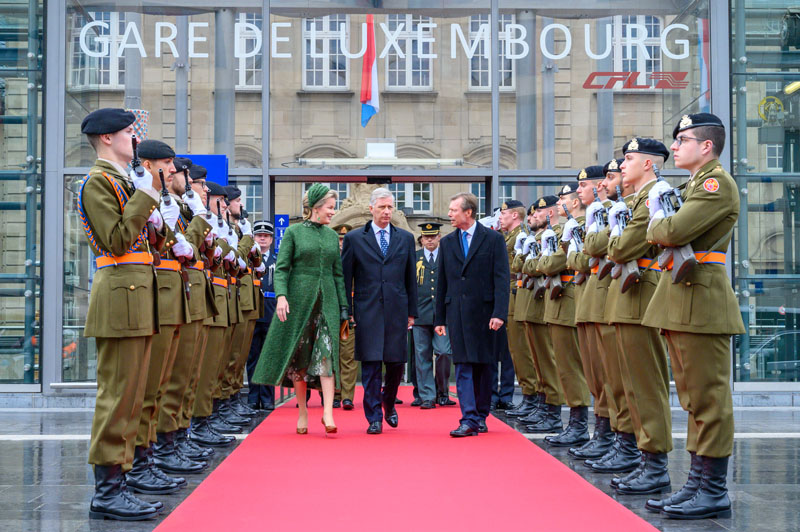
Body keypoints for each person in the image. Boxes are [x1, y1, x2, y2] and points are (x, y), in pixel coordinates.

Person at [643, 113, 745, 519]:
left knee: (710, 400)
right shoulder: (693, 186)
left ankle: (714, 490)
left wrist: (658, 224)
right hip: (683, 300)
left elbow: (669, 233)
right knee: (692, 399)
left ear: (706, 146)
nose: (675, 146)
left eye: (683, 139)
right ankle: (697, 484)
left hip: (702, 302)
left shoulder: (714, 184)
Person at [79, 108, 168, 520]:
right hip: (119, 298)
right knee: (117, 397)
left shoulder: (122, 182)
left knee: (133, 396)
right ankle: (108, 490)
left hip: (136, 297)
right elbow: (116, 241)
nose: (135, 139)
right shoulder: (98, 182)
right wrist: (146, 196)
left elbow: (147, 241)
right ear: (106, 139)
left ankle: (125, 477)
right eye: (129, 133)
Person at [606, 138, 673, 495]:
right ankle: (640, 455)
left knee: (646, 384)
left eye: (629, 159)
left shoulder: (653, 197)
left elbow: (619, 247)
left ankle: (655, 462)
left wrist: (614, 245)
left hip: (642, 295)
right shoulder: (632, 202)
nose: (622, 166)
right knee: (631, 384)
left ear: (648, 164)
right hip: (629, 297)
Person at [252, 184, 348, 434]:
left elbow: (338, 274)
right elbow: (282, 268)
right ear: (315, 207)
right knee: (301, 360)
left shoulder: (330, 236)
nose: (332, 211)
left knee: (326, 356)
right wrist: (282, 296)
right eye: (329, 207)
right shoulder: (294, 233)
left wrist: (344, 307)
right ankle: (303, 411)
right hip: (299, 301)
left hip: (327, 304)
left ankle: (327, 412)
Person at [341, 187, 418, 435]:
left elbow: (410, 279)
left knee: (396, 363)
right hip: (368, 309)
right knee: (371, 364)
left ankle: (388, 402)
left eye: (390, 207)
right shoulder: (354, 238)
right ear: (371, 208)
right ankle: (373, 416)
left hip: (397, 309)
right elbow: (346, 278)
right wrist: (348, 310)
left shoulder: (405, 238)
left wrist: (412, 312)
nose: (387, 212)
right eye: (382, 207)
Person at [435, 192, 509, 437]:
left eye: (454, 210)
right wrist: (440, 319)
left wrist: (499, 312)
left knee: (484, 367)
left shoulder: (493, 239)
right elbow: (442, 282)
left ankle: (480, 414)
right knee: (464, 365)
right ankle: (468, 418)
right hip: (457, 313)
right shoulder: (446, 243)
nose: (449, 214)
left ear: (468, 212)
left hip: (486, 314)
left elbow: (501, 279)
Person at [569, 164, 616, 460]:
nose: (578, 191)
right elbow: (582, 254)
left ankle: (614, 437)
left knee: (609, 376)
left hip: (603, 298)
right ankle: (602, 433)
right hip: (589, 299)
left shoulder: (609, 211)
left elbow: (589, 253)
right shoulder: (593, 215)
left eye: (584, 185)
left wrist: (580, 255)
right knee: (595, 375)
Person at [499, 200, 539, 419]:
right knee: (516, 349)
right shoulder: (509, 237)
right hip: (511, 293)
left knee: (523, 349)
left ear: (515, 215)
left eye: (504, 213)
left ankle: (533, 396)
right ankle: (529, 395)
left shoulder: (521, 235)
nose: (500, 216)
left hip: (519, 292)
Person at [411, 223, 454, 409]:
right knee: (422, 356)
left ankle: (442, 391)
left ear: (439, 237)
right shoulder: (414, 258)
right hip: (420, 313)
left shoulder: (447, 257)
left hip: (442, 315)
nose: (429, 240)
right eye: (426, 237)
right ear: (421, 238)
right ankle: (427, 395)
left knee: (444, 352)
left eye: (433, 236)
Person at [246, 220, 277, 410]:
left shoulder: (278, 260)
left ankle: (267, 398)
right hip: (252, 312)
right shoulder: (247, 260)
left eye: (266, 236)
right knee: (252, 357)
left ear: (272, 239)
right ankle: (252, 396)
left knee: (269, 357)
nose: (262, 238)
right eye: (259, 235)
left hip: (271, 311)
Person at [332, 223, 358, 411]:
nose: (342, 243)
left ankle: (347, 396)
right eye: (339, 240)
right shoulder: (328, 260)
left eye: (344, 240)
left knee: (348, 356)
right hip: (331, 313)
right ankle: (334, 393)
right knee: (331, 356)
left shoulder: (356, 260)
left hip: (350, 314)